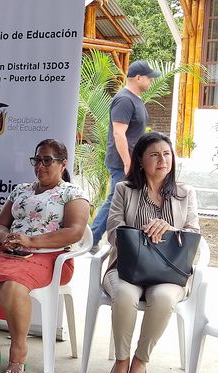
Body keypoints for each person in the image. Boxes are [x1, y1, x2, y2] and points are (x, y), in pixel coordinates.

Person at [0, 139, 89, 373]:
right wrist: (5, 238)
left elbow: (75, 232)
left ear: (63, 164)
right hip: (10, 253)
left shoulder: (72, 193)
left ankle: (18, 351)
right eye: (37, 160)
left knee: (13, 286)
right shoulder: (21, 190)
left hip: (51, 257)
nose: (40, 166)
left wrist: (31, 241)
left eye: (47, 160)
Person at [104, 132, 199, 373]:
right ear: (140, 160)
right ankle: (121, 360)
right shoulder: (124, 189)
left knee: (164, 298)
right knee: (124, 295)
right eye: (154, 155)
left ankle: (140, 361)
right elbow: (112, 231)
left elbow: (194, 234)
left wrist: (169, 230)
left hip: (170, 271)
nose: (162, 160)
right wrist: (142, 233)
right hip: (127, 267)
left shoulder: (185, 193)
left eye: (167, 154)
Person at [90, 60, 161, 253]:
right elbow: (119, 133)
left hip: (134, 161)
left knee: (125, 199)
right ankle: (92, 239)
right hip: (123, 162)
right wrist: (128, 163)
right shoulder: (124, 100)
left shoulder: (135, 99)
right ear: (138, 78)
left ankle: (128, 239)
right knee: (116, 199)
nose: (151, 81)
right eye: (149, 77)